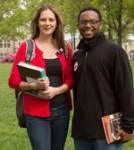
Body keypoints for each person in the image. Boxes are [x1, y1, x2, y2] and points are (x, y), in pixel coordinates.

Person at [8, 5, 73, 150]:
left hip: (61, 111)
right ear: (37, 22)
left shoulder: (65, 47)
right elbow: (13, 80)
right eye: (43, 19)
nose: (47, 23)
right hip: (35, 113)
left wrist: (56, 91)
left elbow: (71, 79)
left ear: (57, 23)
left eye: (51, 19)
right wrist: (31, 86)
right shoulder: (27, 47)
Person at [72, 6, 134, 150]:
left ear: (100, 24)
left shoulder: (114, 52)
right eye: (83, 22)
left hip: (107, 132)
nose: (88, 25)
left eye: (93, 21)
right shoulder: (77, 56)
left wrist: (129, 126)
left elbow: (126, 90)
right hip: (81, 131)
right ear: (79, 25)